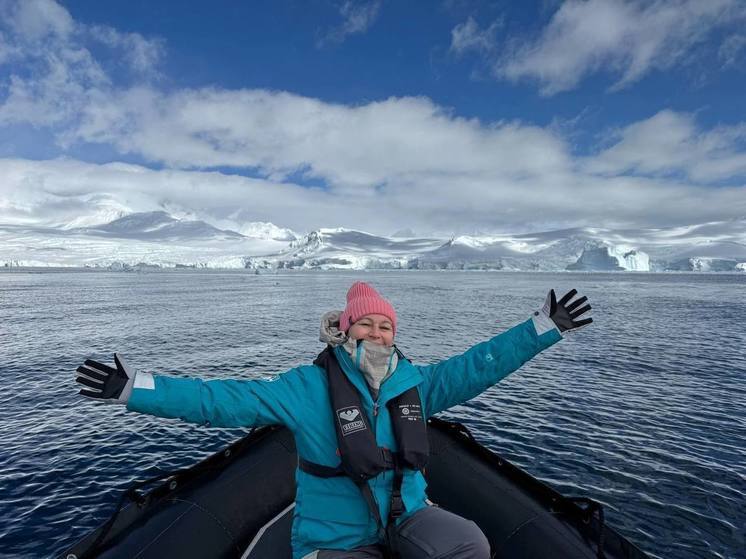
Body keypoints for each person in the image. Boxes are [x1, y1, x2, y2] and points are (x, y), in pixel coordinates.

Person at [75, 281, 592, 559]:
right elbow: (220, 400)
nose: (377, 332)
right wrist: (134, 389)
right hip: (333, 537)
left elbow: (479, 365)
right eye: (365, 323)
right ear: (344, 331)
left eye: (385, 325)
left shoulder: (416, 383)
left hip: (406, 515)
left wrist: (541, 329)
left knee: (470, 544)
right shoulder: (306, 388)